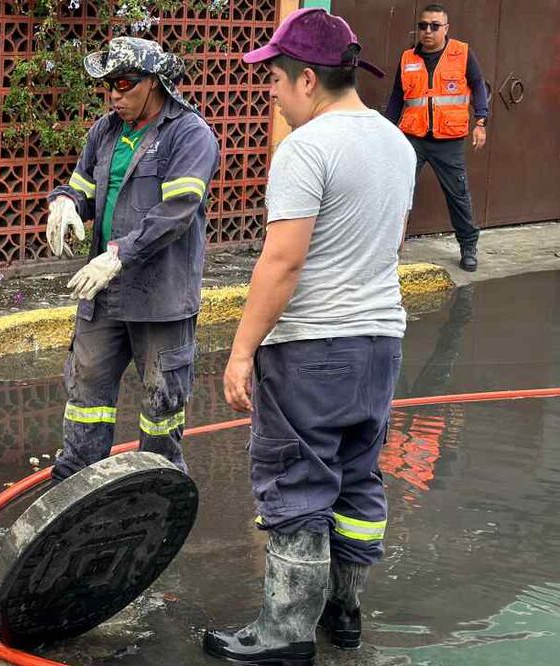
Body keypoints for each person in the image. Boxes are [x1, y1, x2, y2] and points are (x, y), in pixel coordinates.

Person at [204, 9, 416, 665]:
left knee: (298, 483)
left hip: (311, 347)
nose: (270, 92)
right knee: (356, 480)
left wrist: (241, 351)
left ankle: (286, 633)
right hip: (379, 341)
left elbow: (283, 262)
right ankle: (342, 615)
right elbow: (386, 246)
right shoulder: (397, 143)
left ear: (306, 79)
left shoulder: (306, 148)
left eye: (274, 78)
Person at [43, 37, 219, 481]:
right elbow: (81, 186)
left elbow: (176, 212)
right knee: (86, 392)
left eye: (124, 84)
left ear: (154, 82)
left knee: (162, 403)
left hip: (160, 297)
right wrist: (64, 203)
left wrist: (119, 253)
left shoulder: (189, 134)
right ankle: (78, 481)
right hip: (104, 294)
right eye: (109, 86)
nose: (114, 95)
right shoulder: (105, 132)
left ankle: (157, 484)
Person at [386, 2, 489, 272]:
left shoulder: (462, 53)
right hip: (413, 138)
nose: (428, 31)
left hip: (448, 141)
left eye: (434, 26)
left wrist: (481, 121)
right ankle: (388, 247)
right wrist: (386, 131)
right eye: (423, 26)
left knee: (458, 195)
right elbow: (397, 97)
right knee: (397, 191)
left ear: (446, 28)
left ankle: (468, 247)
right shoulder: (407, 58)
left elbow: (478, 85)